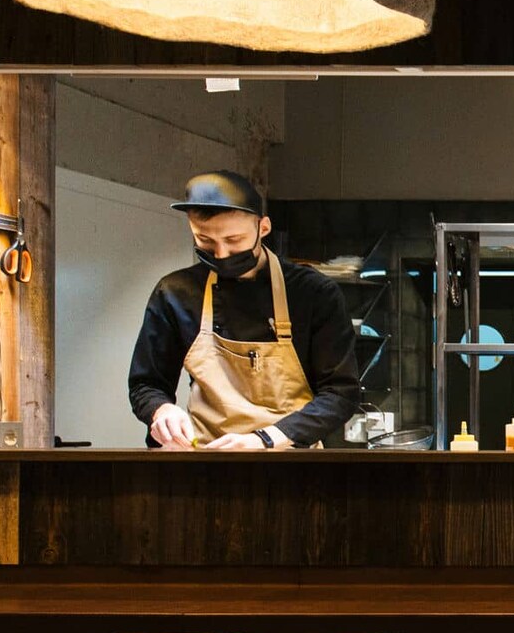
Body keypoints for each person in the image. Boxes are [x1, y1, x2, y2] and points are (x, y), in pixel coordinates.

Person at [128, 170, 363, 451]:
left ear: (263, 228)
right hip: (204, 459)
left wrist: (265, 439)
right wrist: (161, 411)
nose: (222, 254)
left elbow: (341, 394)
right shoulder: (176, 293)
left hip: (291, 463)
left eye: (234, 240)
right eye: (205, 241)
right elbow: (146, 384)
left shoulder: (313, 294)